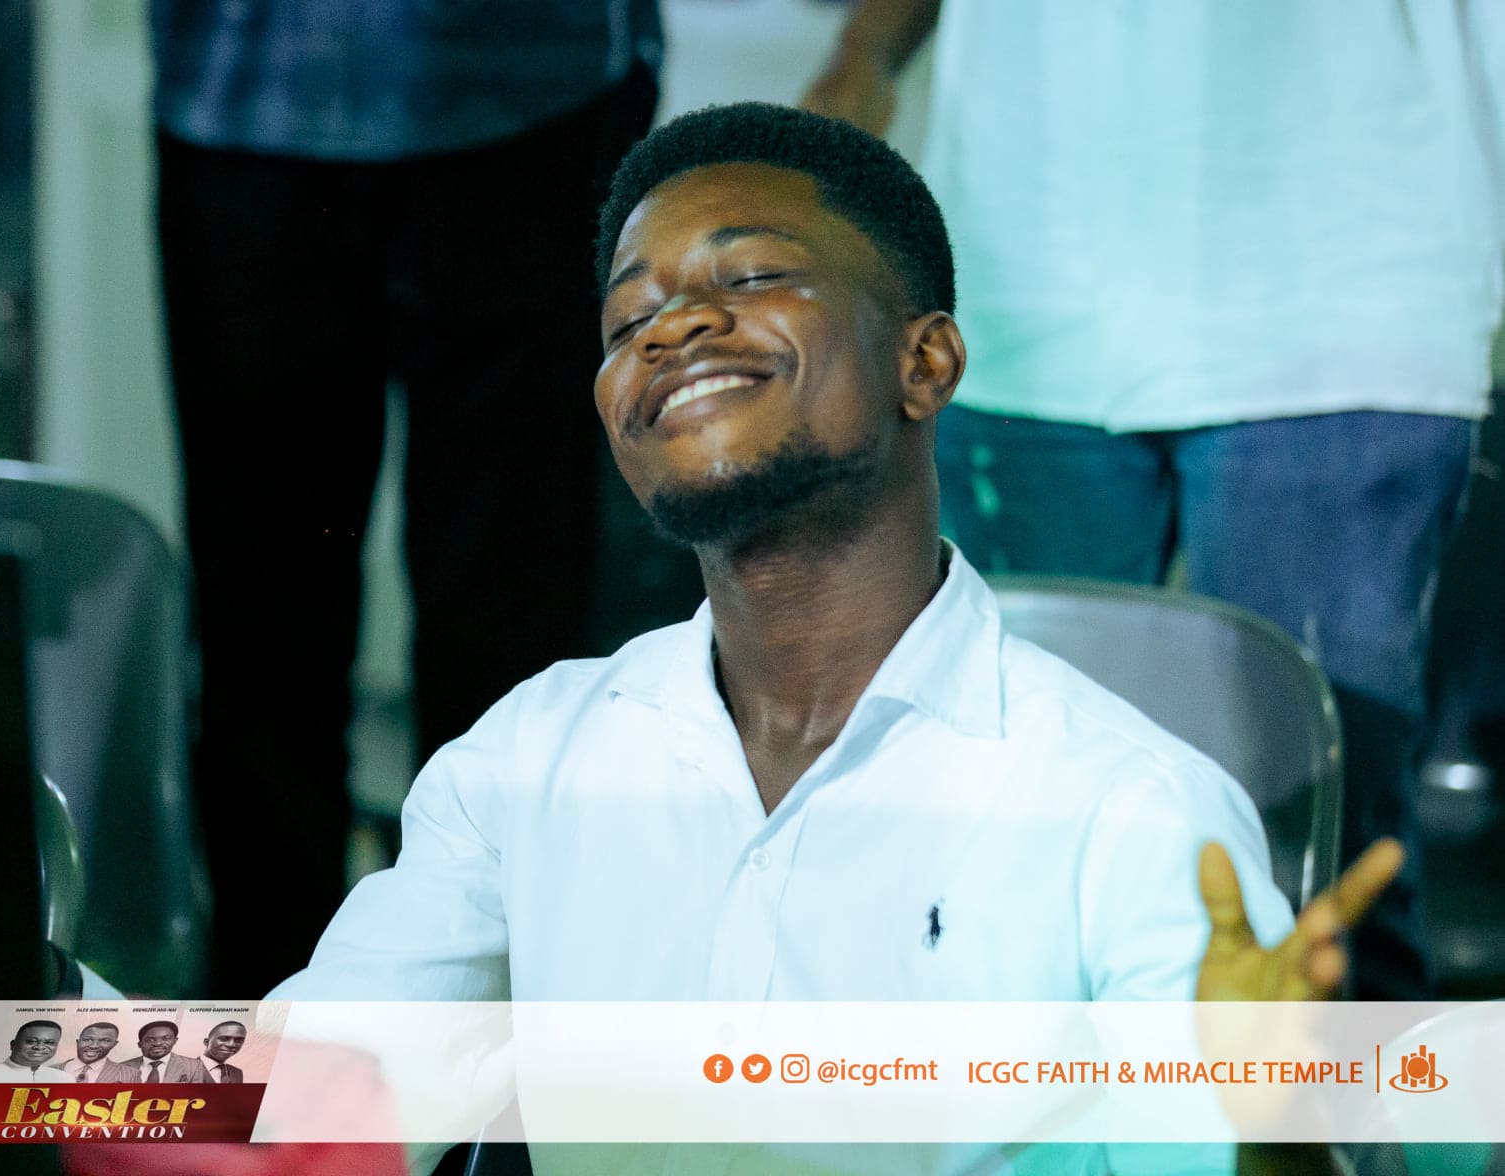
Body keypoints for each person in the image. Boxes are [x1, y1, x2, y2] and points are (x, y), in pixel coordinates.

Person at [273, 103, 1403, 1174]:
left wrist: (1274, 1131)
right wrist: (146, 1060)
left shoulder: (1127, 812)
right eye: (628, 322)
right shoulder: (527, 762)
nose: (673, 328)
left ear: (927, 363)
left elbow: (1233, 1144)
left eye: (751, 278)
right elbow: (294, 1098)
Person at [803, 0, 1505, 1000]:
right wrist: (862, 54)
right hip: (1024, 266)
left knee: (1320, 838)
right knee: (1013, 822)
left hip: (1351, 261)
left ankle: (1348, 1101)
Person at [150, 0, 663, 992]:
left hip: (535, 100)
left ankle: (493, 1035)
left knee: (511, 650)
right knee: (261, 635)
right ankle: (272, 1040)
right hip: (242, 101)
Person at [0, 1020, 71, 1083]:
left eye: (49, 1042)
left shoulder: (65, 1079)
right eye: (31, 1041)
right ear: (13, 1045)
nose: (39, 1047)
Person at [119, 1021, 207, 1084]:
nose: (158, 1043)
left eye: (166, 1039)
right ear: (140, 1044)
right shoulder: (121, 1068)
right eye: (149, 1040)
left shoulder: (194, 1065)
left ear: (175, 1041)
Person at [57, 1021, 133, 1083]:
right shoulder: (53, 1069)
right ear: (78, 1042)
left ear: (114, 1044)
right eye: (87, 1040)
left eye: (105, 1041)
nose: (94, 1046)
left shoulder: (131, 1074)